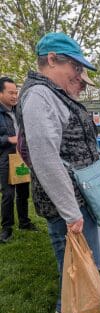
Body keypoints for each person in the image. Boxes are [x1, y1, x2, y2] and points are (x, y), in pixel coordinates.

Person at [16, 32, 100, 313]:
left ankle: (65, 306)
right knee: (86, 264)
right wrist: (72, 212)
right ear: (51, 60)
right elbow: (45, 158)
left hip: (67, 200)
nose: (79, 73)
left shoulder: (48, 93)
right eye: (74, 65)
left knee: (69, 259)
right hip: (70, 202)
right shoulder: (40, 96)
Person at [0, 77, 37, 244]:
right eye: (11, 93)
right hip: (5, 158)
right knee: (8, 194)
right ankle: (6, 229)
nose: (15, 96)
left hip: (21, 157)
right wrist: (8, 139)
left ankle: (24, 222)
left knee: (23, 192)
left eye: (16, 92)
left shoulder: (18, 111)